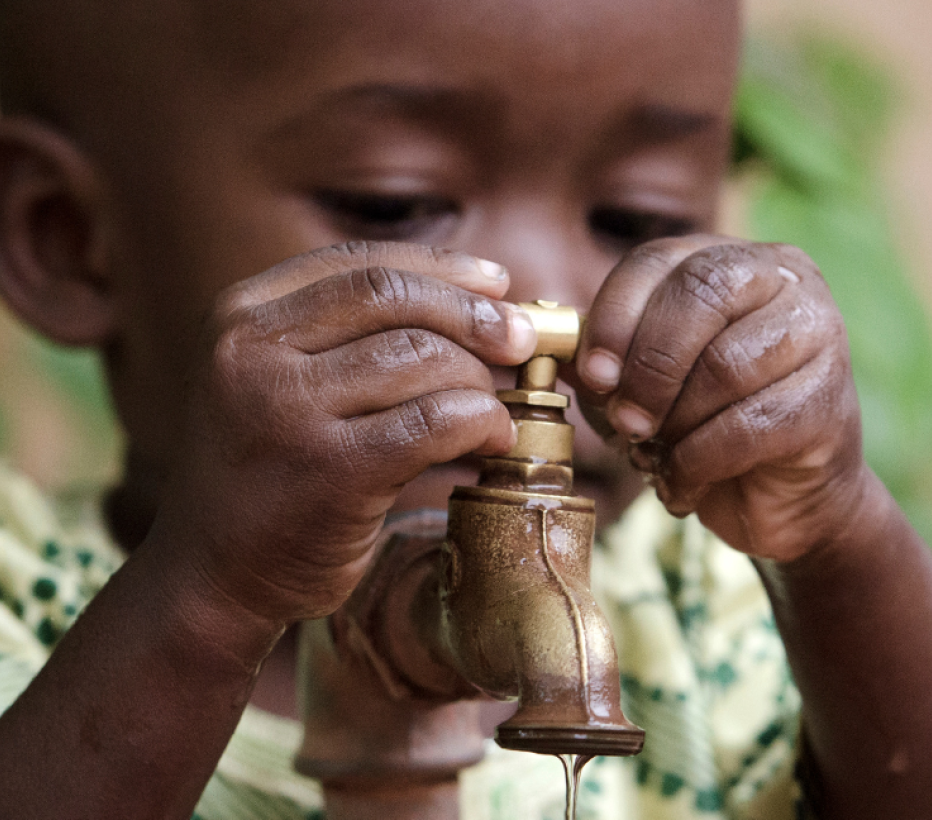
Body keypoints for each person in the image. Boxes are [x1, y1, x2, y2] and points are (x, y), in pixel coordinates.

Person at [0, 0, 930, 818]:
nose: (541, 309)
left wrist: (837, 537)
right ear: (70, 240)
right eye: (393, 203)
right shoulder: (23, 616)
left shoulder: (706, 609)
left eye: (635, 221)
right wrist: (208, 600)